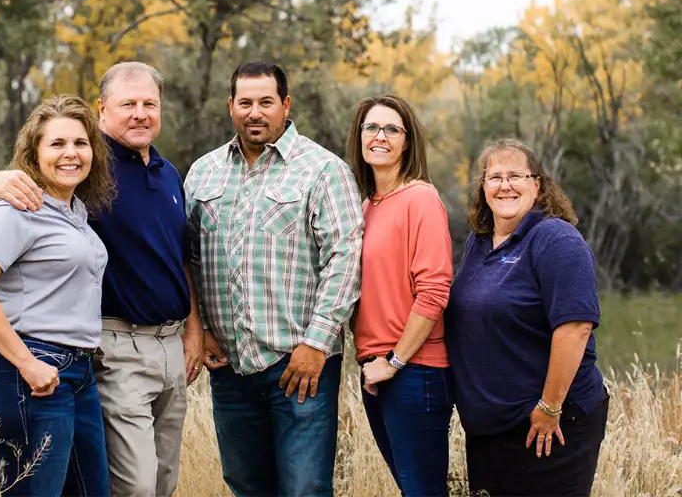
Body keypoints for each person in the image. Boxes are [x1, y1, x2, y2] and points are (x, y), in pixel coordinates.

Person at [0, 62, 204, 497]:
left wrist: (193, 328)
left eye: (149, 104)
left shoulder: (169, 173)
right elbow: (18, 202)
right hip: (114, 345)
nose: (140, 113)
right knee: (134, 487)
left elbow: (178, 258)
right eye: (128, 105)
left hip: (171, 348)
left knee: (162, 483)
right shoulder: (85, 168)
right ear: (103, 109)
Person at [185, 60, 364, 497]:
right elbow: (187, 259)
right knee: (247, 485)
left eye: (266, 102)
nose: (255, 112)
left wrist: (317, 343)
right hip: (229, 367)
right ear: (230, 106)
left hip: (299, 365)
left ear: (285, 104)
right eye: (244, 102)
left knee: (303, 488)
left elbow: (344, 259)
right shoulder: (203, 173)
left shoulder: (323, 170)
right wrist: (203, 329)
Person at [0, 94, 113, 496]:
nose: (70, 154)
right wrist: (27, 363)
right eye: (56, 144)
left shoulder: (74, 214)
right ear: (34, 153)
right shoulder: (16, 209)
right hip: (28, 375)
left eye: (80, 143)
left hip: (77, 375)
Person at [445, 138, 609, 497]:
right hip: (491, 430)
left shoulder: (556, 240)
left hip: (549, 425)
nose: (505, 185)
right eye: (495, 177)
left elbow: (575, 327)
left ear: (537, 185)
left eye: (516, 175)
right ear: (483, 188)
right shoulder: (479, 242)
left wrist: (549, 408)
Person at [345, 94, 454, 497]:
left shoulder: (420, 199)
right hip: (377, 371)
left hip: (415, 371)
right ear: (359, 137)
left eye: (392, 129)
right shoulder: (365, 206)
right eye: (371, 127)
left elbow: (434, 291)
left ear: (407, 141)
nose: (380, 136)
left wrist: (395, 361)